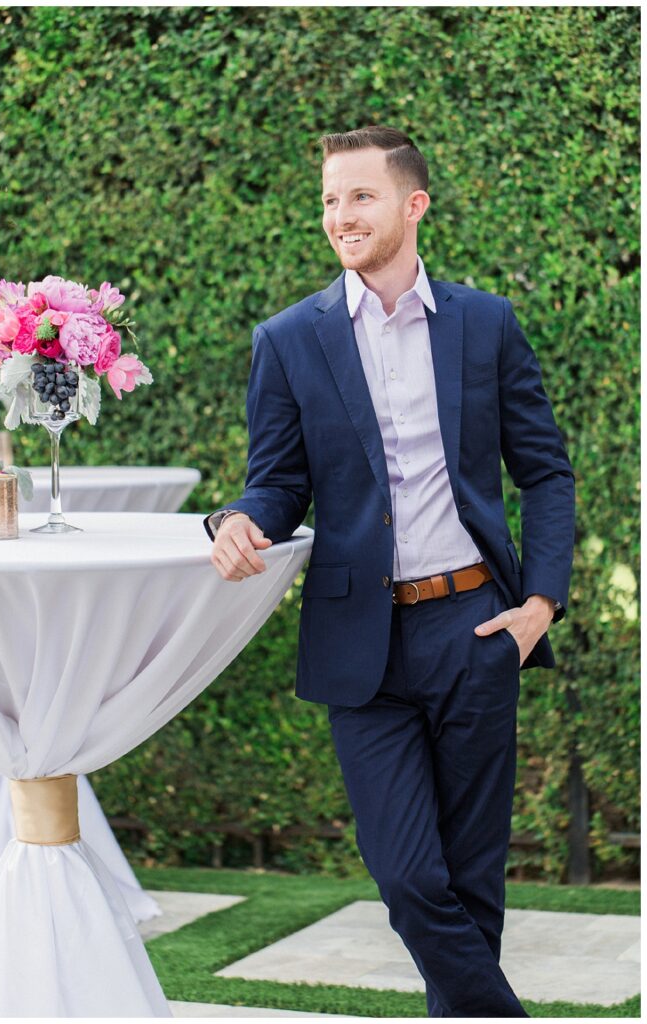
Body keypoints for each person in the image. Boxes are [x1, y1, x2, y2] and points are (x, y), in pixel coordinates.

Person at [204, 125, 575, 1018]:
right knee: (408, 876)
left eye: (360, 196)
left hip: (476, 627)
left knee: (472, 878)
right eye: (330, 199)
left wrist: (538, 605)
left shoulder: (484, 323)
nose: (340, 215)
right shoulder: (290, 338)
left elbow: (545, 471)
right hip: (359, 643)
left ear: (412, 205)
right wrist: (233, 520)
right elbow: (277, 481)